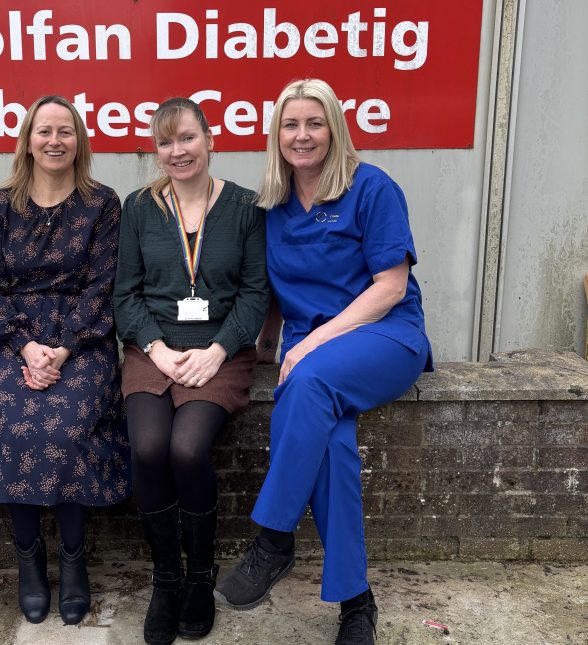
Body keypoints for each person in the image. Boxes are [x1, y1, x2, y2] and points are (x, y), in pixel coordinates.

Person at [214, 79, 434, 644]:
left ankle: (273, 539)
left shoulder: (372, 188)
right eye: (291, 124)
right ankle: (357, 603)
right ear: (277, 134)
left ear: (334, 127)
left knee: (307, 384)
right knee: (332, 445)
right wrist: (263, 350)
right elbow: (271, 294)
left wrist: (310, 344)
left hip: (384, 336)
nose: (302, 135)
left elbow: (389, 286)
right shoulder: (273, 205)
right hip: (314, 356)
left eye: (314, 123)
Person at [114, 97, 269, 645]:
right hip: (153, 352)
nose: (176, 151)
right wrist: (154, 348)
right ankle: (167, 579)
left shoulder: (248, 208)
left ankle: (200, 577)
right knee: (149, 447)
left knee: (186, 449)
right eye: (165, 142)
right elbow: (125, 295)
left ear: (210, 138)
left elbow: (254, 295)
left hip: (218, 355)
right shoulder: (138, 208)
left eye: (186, 138)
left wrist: (219, 350)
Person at [0, 95, 130, 626]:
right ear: (29, 140)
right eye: (45, 131)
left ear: (79, 141)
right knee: (17, 428)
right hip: (11, 339)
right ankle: (29, 561)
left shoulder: (104, 203)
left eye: (66, 131)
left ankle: (73, 556)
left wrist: (62, 347)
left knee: (66, 431)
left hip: (80, 343)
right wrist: (24, 346)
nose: (55, 141)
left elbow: (103, 286)